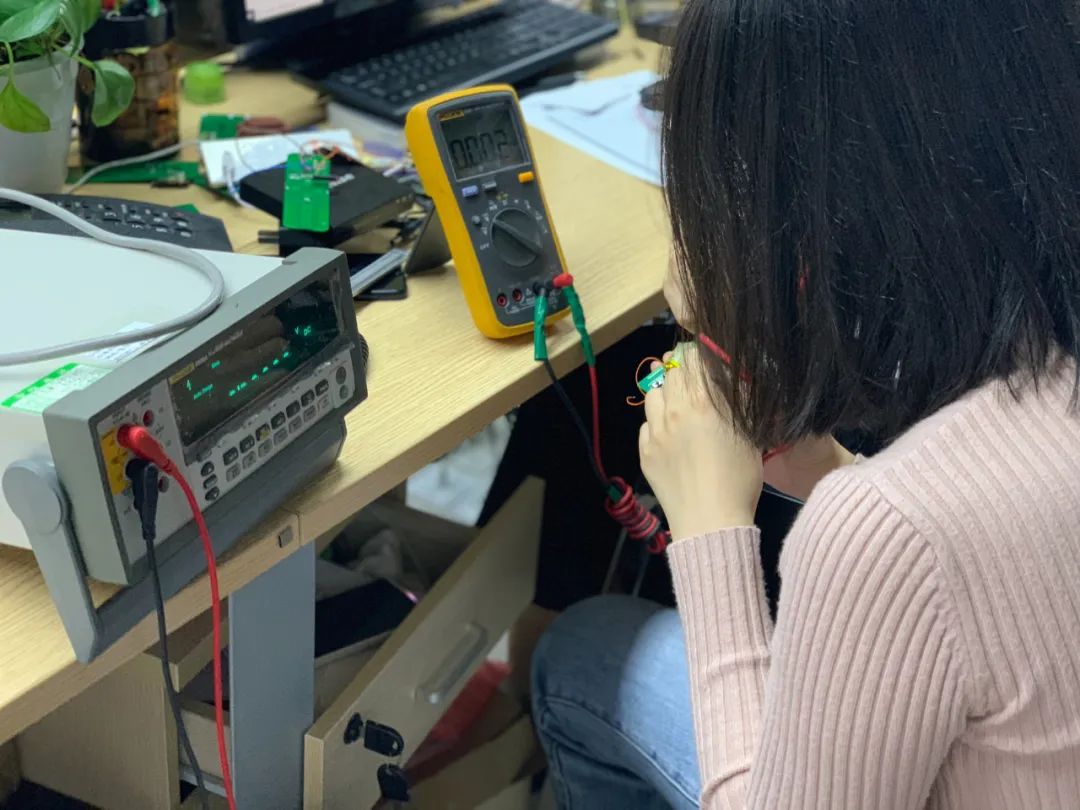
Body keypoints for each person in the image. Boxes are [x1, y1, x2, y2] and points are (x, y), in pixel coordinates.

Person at [531, 1, 1080, 808]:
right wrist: (833, 473)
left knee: (581, 652)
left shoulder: (886, 532)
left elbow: (927, 544)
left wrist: (709, 526)